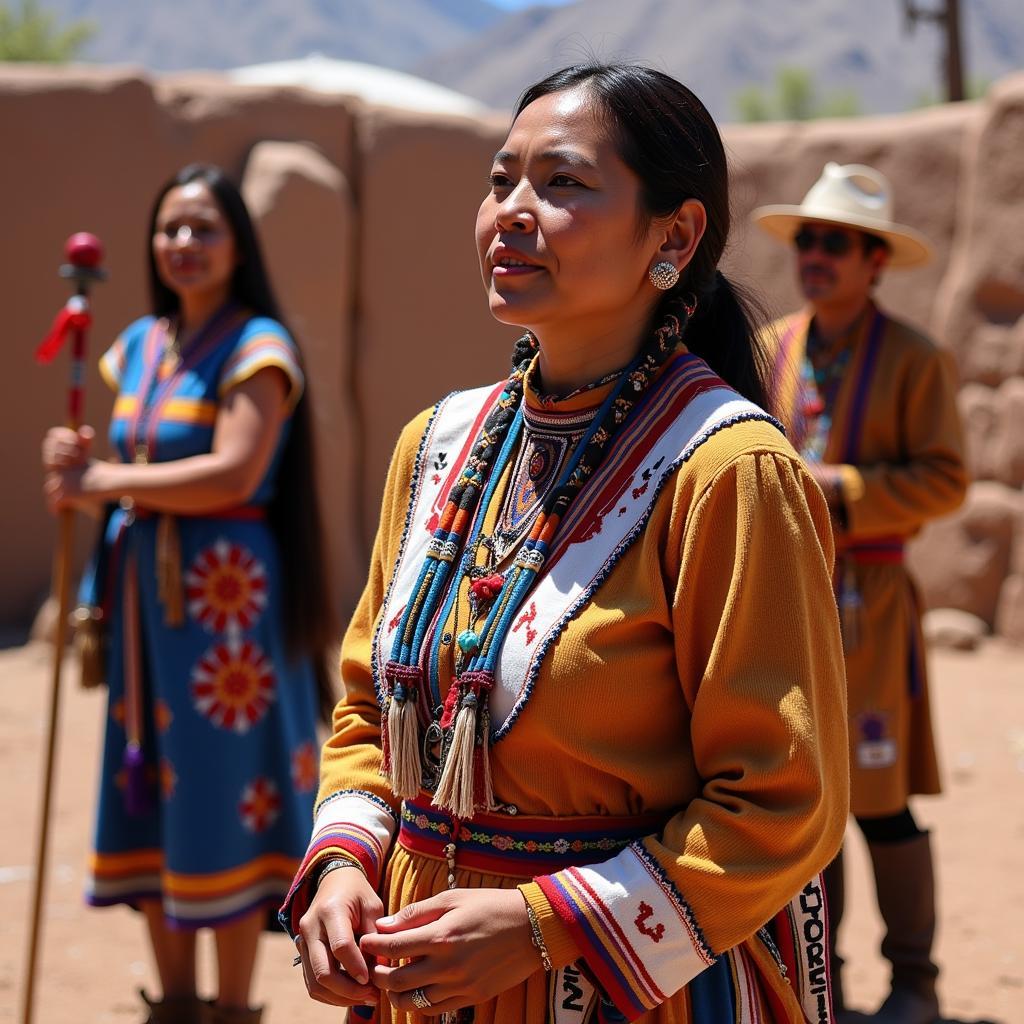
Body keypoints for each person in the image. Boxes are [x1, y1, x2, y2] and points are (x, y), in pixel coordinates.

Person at [284, 64, 849, 1024]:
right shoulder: (437, 450)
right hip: (421, 980)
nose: (512, 210)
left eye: (564, 183)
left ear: (673, 237)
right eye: (501, 179)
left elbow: (783, 798)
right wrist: (345, 864)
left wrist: (542, 924)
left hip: (612, 989)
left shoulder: (726, 471)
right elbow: (367, 717)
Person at [41, 164, 335, 1024]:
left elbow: (237, 469)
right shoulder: (136, 344)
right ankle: (171, 1004)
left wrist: (104, 477)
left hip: (225, 608)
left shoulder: (259, 349)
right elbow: (121, 461)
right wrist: (79, 464)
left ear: (238, 242)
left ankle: (234, 1007)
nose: (184, 245)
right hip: (144, 604)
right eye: (170, 228)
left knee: (221, 786)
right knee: (153, 781)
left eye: (203, 228)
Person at [752, 162, 968, 1024]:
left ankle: (915, 980)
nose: (815, 254)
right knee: (806, 793)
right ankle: (822, 982)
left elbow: (948, 479)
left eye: (835, 242)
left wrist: (840, 487)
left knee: (878, 796)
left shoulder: (918, 360)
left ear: (875, 260)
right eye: (808, 239)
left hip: (870, 602)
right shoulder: (772, 350)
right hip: (787, 592)